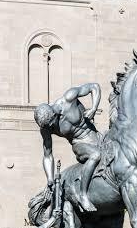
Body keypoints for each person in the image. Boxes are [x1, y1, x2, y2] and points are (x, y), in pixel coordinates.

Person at [34, 82, 103, 213]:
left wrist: (94, 108)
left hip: (97, 136)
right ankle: (83, 196)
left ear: (54, 115)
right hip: (80, 144)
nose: (50, 128)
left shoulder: (69, 98)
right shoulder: (46, 129)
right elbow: (48, 154)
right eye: (47, 127)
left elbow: (94, 87)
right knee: (95, 155)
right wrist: (49, 178)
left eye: (51, 124)